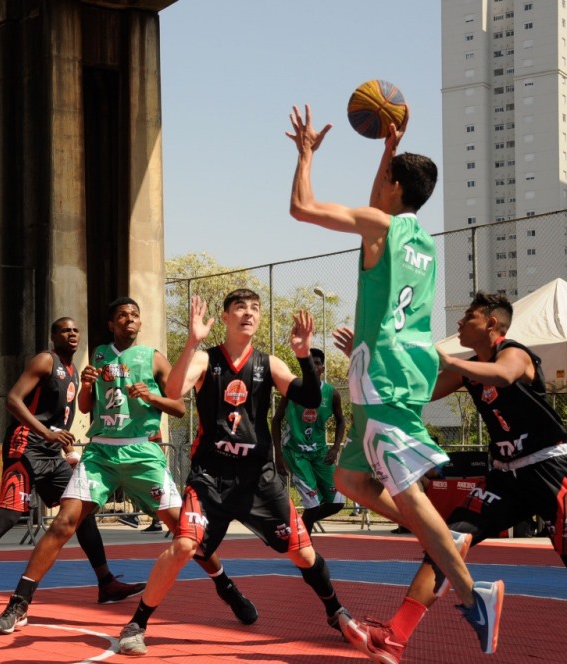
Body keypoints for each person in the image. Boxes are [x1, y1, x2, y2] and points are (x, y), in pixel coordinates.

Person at [287, 103, 503, 658]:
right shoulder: (422, 241)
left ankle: (470, 585)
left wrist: (306, 154)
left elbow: (302, 208)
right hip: (400, 369)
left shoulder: (380, 227)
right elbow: (379, 205)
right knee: (350, 481)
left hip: (383, 378)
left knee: (407, 492)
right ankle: (435, 532)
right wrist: (386, 154)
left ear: (394, 185)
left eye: (384, 177)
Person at [0, 298, 255, 635]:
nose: (129, 319)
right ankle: (19, 603)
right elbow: (86, 407)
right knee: (64, 522)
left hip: (142, 453)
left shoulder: (153, 358)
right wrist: (86, 386)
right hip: (102, 453)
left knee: (185, 531)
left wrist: (151, 397)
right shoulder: (99, 355)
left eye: (134, 315)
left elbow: (178, 407)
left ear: (140, 324)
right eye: (121, 316)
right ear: (112, 325)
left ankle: (226, 587)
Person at [334, 292, 567, 663]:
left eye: (468, 317)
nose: (458, 324)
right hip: (504, 478)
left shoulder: (514, 353)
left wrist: (449, 360)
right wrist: (366, 362)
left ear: (492, 324)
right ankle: (395, 637)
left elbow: (504, 375)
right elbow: (414, 392)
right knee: (447, 542)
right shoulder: (466, 370)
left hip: (549, 471)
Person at [115, 292, 350, 656]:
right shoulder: (206, 360)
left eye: (255, 309)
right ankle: (137, 623)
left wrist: (303, 356)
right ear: (224, 317)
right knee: (184, 545)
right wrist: (192, 341)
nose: (249, 313)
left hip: (259, 479)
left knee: (304, 556)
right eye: (240, 308)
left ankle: (335, 610)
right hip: (211, 477)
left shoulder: (269, 363)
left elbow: (311, 399)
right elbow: (173, 391)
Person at [0, 317, 144, 616]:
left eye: (75, 330)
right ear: (53, 336)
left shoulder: (73, 373)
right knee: (7, 517)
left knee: (81, 512)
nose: (72, 334)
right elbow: (13, 400)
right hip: (25, 446)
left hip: (50, 452)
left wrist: (67, 448)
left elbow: (61, 418)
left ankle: (106, 582)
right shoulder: (46, 361)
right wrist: (47, 433)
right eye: (64, 330)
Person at [271, 347, 347, 534]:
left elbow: (341, 420)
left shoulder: (331, 393)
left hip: (320, 452)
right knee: (312, 505)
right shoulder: (292, 389)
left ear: (322, 368)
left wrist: (336, 447)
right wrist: (278, 456)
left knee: (337, 502)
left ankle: (298, 528)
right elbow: (276, 419)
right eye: (310, 363)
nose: (314, 366)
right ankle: (305, 544)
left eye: (318, 363)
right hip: (295, 452)